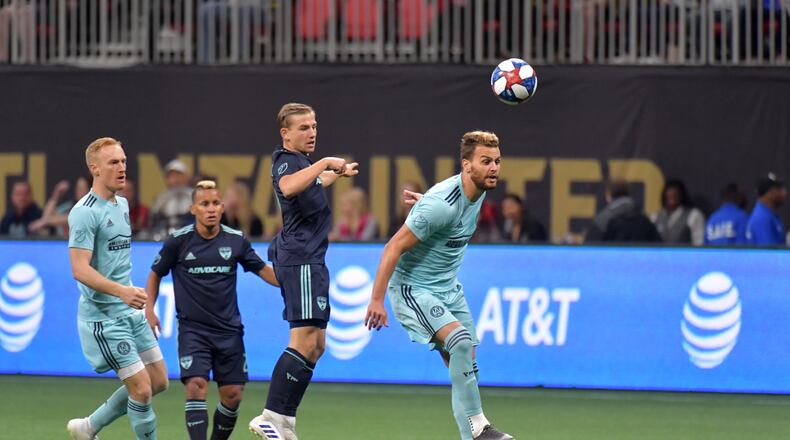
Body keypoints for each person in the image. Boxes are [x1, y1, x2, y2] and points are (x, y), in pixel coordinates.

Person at [365, 131, 513, 440]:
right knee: (458, 342)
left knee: (466, 367)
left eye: (497, 161)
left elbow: (444, 205)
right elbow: (392, 247)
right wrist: (376, 300)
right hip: (413, 288)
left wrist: (425, 205)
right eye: (485, 161)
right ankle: (480, 427)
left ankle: (471, 435)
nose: (494, 168)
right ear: (466, 164)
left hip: (448, 287)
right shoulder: (440, 206)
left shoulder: (478, 190)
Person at [248, 103, 358, 440]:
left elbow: (308, 185)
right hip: (302, 258)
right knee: (303, 340)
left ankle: (284, 421)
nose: (311, 132)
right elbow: (289, 186)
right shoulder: (286, 160)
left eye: (313, 126)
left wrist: (330, 174)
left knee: (317, 344)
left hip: (309, 257)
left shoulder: (301, 163)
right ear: (286, 133)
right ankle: (270, 415)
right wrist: (326, 162)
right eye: (303, 128)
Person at [145, 180, 279, 440]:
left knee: (233, 395)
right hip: (193, 331)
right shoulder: (178, 241)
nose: (211, 209)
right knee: (196, 387)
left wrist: (292, 282)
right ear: (192, 208)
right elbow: (155, 273)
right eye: (204, 204)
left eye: (216, 203)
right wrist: (149, 309)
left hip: (229, 332)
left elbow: (264, 271)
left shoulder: (236, 240)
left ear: (222, 207)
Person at [66, 137, 168, 440]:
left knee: (159, 381)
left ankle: (88, 427)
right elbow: (79, 269)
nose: (122, 167)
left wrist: (137, 302)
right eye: (113, 162)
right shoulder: (84, 212)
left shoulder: (121, 204)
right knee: (141, 388)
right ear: (95, 169)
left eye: (123, 161)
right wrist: (122, 291)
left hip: (130, 312)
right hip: (104, 318)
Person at [587, 180, 660, 243]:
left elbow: (590, 247)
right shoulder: (644, 218)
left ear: (608, 195)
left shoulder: (602, 220)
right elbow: (659, 245)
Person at [651, 179, 706, 245]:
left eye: (675, 195)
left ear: (681, 195)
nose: (672, 198)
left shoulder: (694, 215)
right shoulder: (655, 217)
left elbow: (699, 244)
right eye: (669, 196)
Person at [150, 158, 193, 237]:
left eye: (178, 176)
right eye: (172, 176)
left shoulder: (194, 196)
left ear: (186, 177)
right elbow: (155, 217)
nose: (176, 180)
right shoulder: (162, 198)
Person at [746, 173, 787, 246]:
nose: (784, 192)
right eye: (779, 189)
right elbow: (769, 254)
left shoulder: (769, 215)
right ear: (770, 192)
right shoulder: (762, 218)